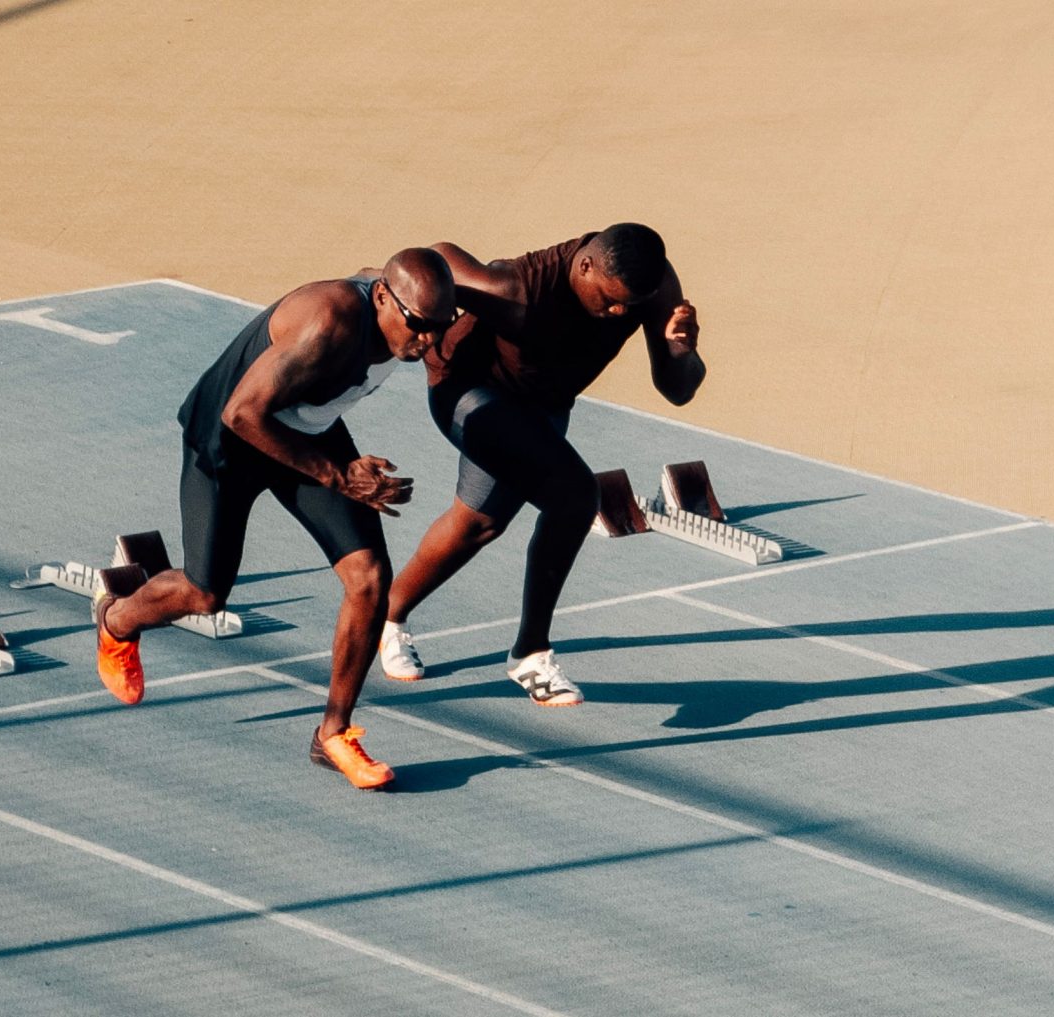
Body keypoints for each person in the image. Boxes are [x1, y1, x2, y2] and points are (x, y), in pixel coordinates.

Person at [91, 247, 461, 790]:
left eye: (439, 327)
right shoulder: (328, 322)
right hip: (228, 444)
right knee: (205, 593)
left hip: (306, 431)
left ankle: (334, 733)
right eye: (418, 326)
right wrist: (339, 476)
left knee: (369, 578)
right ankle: (115, 621)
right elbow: (242, 413)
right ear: (382, 296)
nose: (428, 342)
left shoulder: (413, 305)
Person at [375, 223, 703, 705]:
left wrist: (683, 349)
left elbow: (678, 389)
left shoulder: (649, 286)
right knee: (573, 496)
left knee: (478, 523)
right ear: (585, 266)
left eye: (629, 306)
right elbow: (436, 258)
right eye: (611, 301)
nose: (619, 313)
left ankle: (387, 616)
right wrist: (366, 294)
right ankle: (530, 653)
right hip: (469, 389)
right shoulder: (518, 289)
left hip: (541, 405)